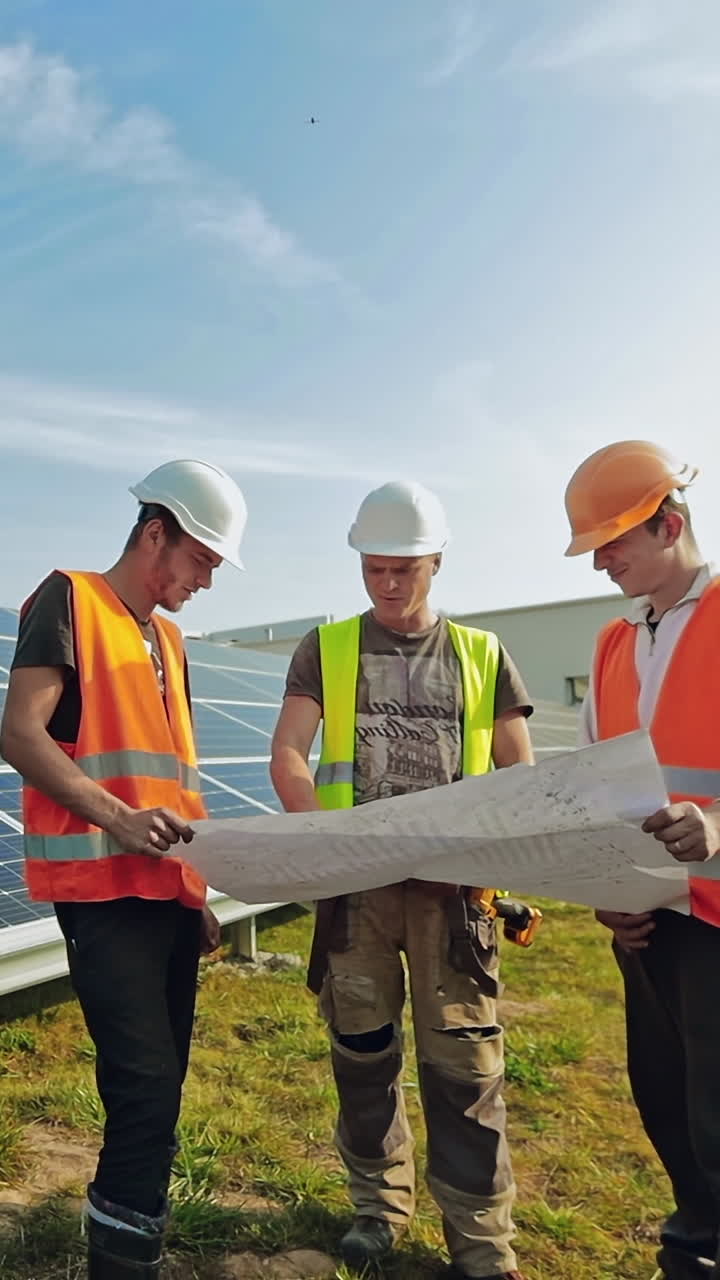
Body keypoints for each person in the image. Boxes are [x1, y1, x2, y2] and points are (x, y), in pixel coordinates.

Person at [270, 480, 534, 1280]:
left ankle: (482, 1243)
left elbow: (520, 769)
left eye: (404, 569)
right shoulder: (327, 648)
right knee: (363, 1053)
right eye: (374, 568)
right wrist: (324, 837)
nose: (387, 584)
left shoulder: (482, 654)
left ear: (436, 562)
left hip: (455, 901)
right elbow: (289, 753)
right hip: (358, 896)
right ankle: (379, 1208)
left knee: (465, 1069)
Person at [0, 459, 248, 1280]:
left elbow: (173, 782)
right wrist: (116, 819)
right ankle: (123, 1259)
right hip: (101, 892)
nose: (206, 580)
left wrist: (194, 892)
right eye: (202, 559)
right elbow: (20, 733)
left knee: (162, 1087)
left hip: (164, 894)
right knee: (143, 1091)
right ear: (154, 535)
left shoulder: (168, 641)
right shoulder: (69, 599)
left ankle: (134, 1238)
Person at [565, 440, 720, 1280]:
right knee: (667, 1104)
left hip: (718, 924)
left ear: (670, 523)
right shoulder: (611, 644)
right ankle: (693, 1248)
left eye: (613, 543)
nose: (602, 563)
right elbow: (599, 786)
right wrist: (605, 887)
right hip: (647, 923)